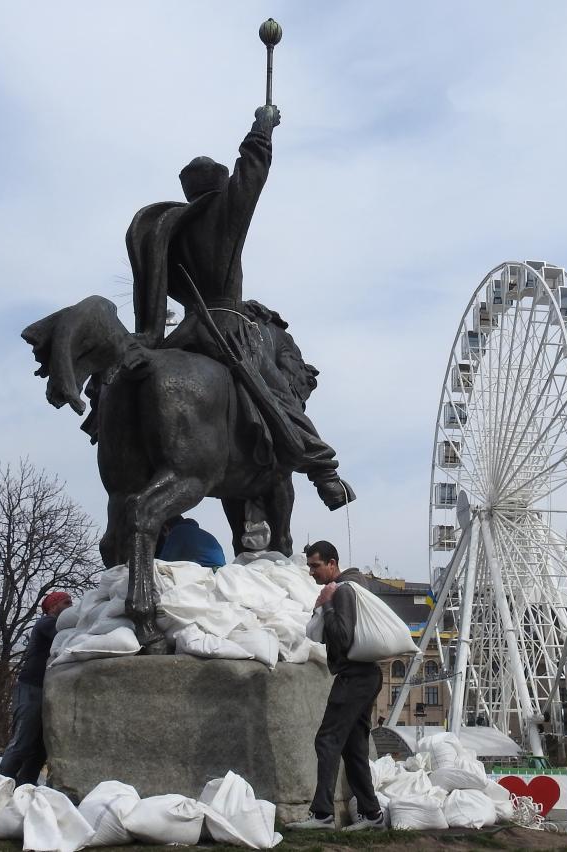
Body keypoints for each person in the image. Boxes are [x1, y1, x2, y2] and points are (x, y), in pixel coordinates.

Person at [123, 104, 354, 512]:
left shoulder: (167, 229)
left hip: (188, 330)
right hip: (227, 328)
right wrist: (262, 127)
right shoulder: (220, 214)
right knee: (280, 398)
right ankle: (325, 473)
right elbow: (252, 170)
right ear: (219, 185)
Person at [286, 541, 385, 831]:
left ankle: (322, 815)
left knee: (326, 740)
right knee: (354, 748)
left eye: (315, 565)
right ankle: (372, 815)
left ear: (332, 563)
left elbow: (342, 638)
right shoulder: (358, 584)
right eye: (309, 566)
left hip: (354, 677)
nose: (311, 572)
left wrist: (326, 605)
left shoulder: (342, 591)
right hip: (368, 675)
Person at [0, 591, 73, 785]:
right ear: (53, 606)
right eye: (67, 602)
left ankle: (25, 789)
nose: (71, 606)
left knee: (40, 748)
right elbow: (70, 638)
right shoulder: (47, 623)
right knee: (22, 742)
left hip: (47, 692)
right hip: (30, 688)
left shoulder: (60, 624)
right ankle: (0, 787)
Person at [155, 515, 226, 568]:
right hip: (218, 571)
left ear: (165, 528)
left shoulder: (178, 531)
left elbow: (164, 563)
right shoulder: (200, 533)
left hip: (208, 572)